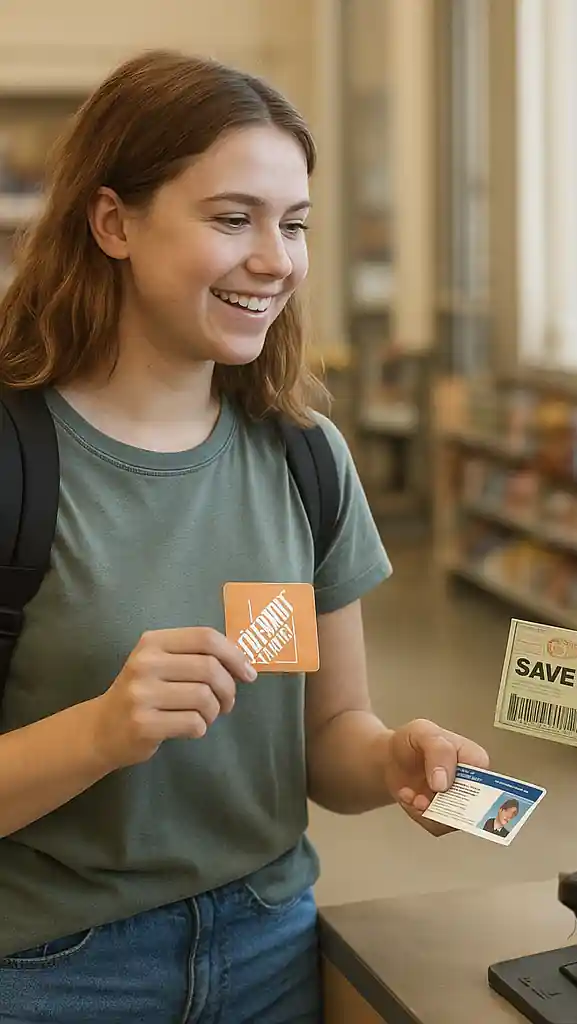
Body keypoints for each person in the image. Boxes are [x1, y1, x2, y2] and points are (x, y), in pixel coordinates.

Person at [0, 50, 489, 1021]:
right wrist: (99, 733)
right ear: (113, 223)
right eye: (233, 218)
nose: (276, 258)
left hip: (272, 947)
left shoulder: (306, 456)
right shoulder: (18, 461)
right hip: (51, 970)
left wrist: (398, 759)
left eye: (294, 223)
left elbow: (328, 739)